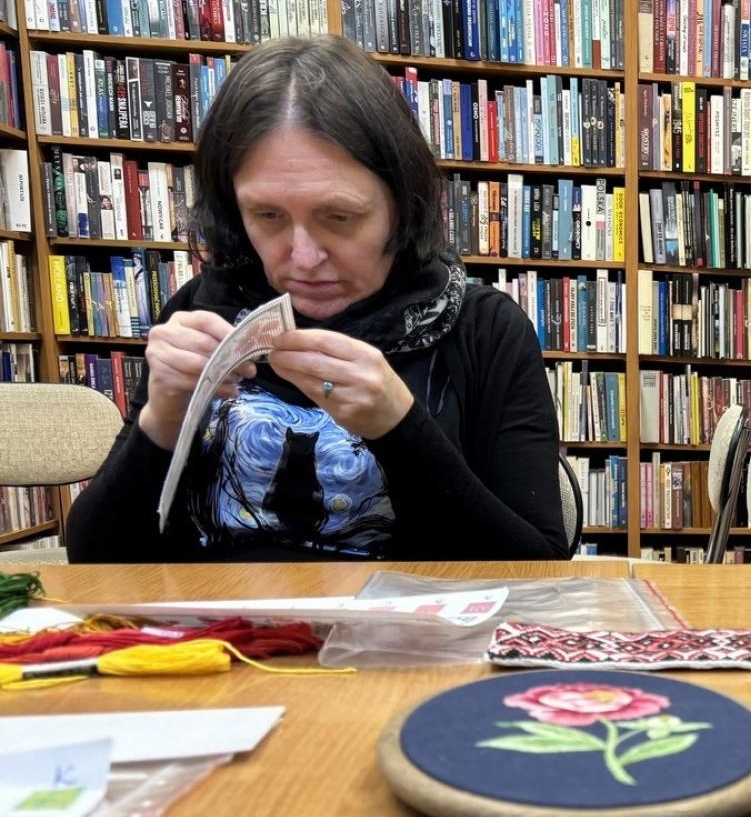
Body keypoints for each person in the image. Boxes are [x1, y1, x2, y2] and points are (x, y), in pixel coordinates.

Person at [67, 35, 567, 562]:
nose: (303, 258)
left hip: (402, 638)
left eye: (340, 217)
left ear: (402, 202)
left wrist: (401, 429)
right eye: (268, 216)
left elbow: (538, 568)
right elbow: (96, 562)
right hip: (220, 636)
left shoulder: (484, 329)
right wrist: (161, 423)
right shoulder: (201, 310)